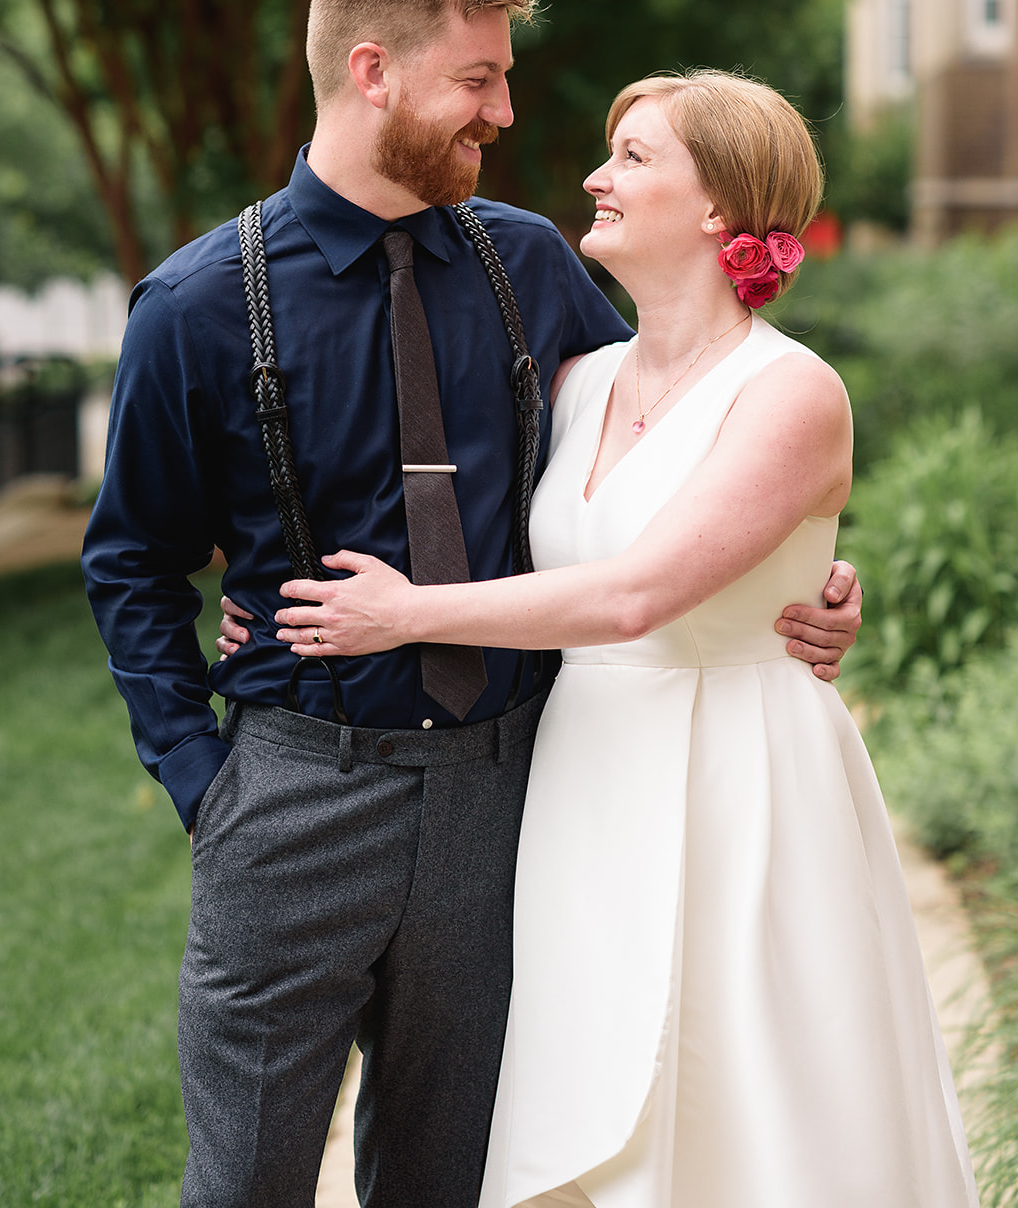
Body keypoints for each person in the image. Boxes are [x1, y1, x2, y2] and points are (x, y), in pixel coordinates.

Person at [83, 0, 861, 1208]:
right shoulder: (198, 304)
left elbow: (679, 445)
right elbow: (132, 562)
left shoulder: (533, 267)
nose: (501, 113)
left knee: (455, 1177)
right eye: (478, 79)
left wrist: (807, 580)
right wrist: (206, 785)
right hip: (291, 796)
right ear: (374, 71)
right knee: (246, 1186)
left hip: (512, 792)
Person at [271, 71, 978, 1208]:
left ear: (719, 208)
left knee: (746, 1092)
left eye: (635, 156)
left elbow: (640, 592)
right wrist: (262, 585)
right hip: (583, 773)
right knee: (584, 1074)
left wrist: (401, 614)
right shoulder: (578, 381)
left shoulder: (793, 393)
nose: (597, 175)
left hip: (740, 775)